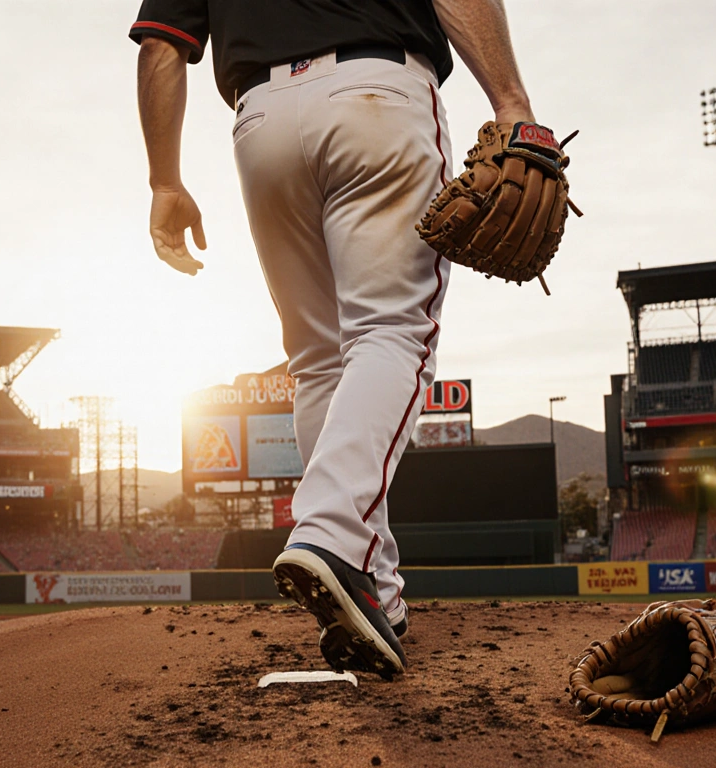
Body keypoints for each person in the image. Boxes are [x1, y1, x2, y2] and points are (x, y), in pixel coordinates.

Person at [132, 0, 539, 678]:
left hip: (260, 120)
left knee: (318, 361)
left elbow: (160, 47)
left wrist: (164, 180)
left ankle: (374, 590)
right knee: (392, 332)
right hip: (377, 91)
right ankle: (328, 532)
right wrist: (511, 101)